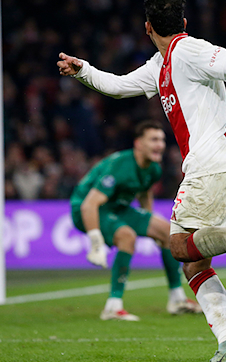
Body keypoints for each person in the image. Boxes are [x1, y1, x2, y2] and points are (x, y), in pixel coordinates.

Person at [58, 0, 226, 362]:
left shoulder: (189, 50)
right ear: (183, 21)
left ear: (147, 27)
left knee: (178, 246)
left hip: (212, 165)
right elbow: (118, 87)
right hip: (223, 167)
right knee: (195, 264)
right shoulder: (158, 65)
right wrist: (83, 70)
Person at [70, 120, 201, 321]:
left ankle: (177, 299)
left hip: (118, 207)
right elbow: (89, 204)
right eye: (154, 140)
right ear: (138, 144)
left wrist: (149, 219)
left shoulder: (154, 169)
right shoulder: (120, 166)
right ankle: (113, 307)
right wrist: (96, 243)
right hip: (88, 209)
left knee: (168, 233)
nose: (160, 145)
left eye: (162, 140)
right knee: (127, 236)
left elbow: (144, 192)